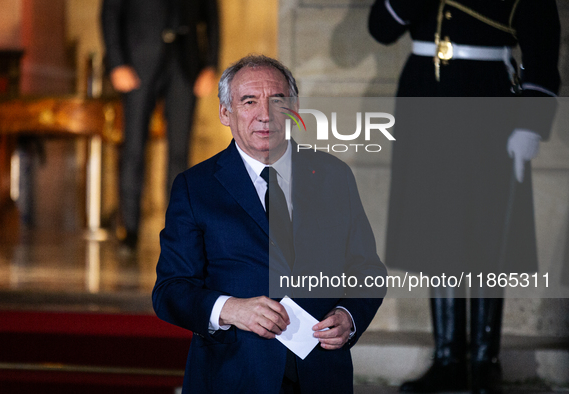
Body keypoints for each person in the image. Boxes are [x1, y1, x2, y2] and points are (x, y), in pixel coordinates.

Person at [152, 55, 386, 393]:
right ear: (224, 113)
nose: (265, 115)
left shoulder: (334, 176)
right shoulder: (195, 187)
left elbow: (368, 270)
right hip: (234, 375)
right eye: (249, 102)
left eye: (277, 101)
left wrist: (350, 317)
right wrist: (230, 309)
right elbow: (169, 291)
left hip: (321, 375)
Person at [368, 1, 560, 393]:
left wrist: (531, 125)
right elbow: (381, 28)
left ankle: (484, 360)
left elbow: (543, 47)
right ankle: (448, 359)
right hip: (424, 96)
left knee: (488, 231)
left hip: (487, 99)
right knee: (438, 231)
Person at [101, 0, 220, 250]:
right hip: (137, 61)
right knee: (133, 147)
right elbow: (110, 13)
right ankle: (129, 230)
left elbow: (212, 14)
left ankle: (179, 230)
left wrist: (211, 64)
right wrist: (116, 63)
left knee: (180, 151)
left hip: (185, 63)